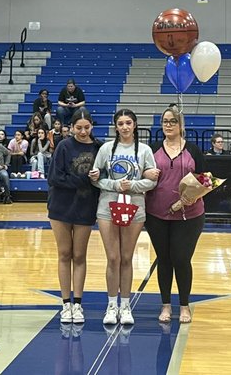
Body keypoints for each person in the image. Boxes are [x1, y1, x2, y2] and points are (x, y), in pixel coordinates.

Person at [92, 109, 157, 326]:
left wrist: (133, 186)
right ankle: (112, 305)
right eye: (120, 123)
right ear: (116, 126)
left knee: (127, 257)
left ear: (135, 125)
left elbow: (153, 180)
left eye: (128, 122)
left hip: (135, 206)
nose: (125, 127)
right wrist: (114, 184)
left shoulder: (145, 150)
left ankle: (126, 305)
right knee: (113, 258)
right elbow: (95, 177)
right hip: (107, 205)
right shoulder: (105, 149)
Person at [146, 106, 207, 324]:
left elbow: (204, 180)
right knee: (164, 259)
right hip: (156, 214)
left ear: (181, 125)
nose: (168, 125)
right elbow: (143, 177)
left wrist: (192, 196)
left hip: (189, 215)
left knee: (181, 259)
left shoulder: (193, 150)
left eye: (173, 121)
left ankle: (184, 305)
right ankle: (165, 305)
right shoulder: (152, 149)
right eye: (165, 121)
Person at [47, 109, 101, 324]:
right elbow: (55, 178)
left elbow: (102, 175)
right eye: (78, 127)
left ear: (92, 126)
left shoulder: (99, 147)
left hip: (86, 206)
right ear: (71, 127)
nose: (82, 131)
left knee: (79, 255)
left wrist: (95, 178)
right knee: (64, 253)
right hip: (60, 207)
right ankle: (65, 303)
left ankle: (77, 303)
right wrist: (82, 180)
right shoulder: (63, 146)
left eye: (86, 127)